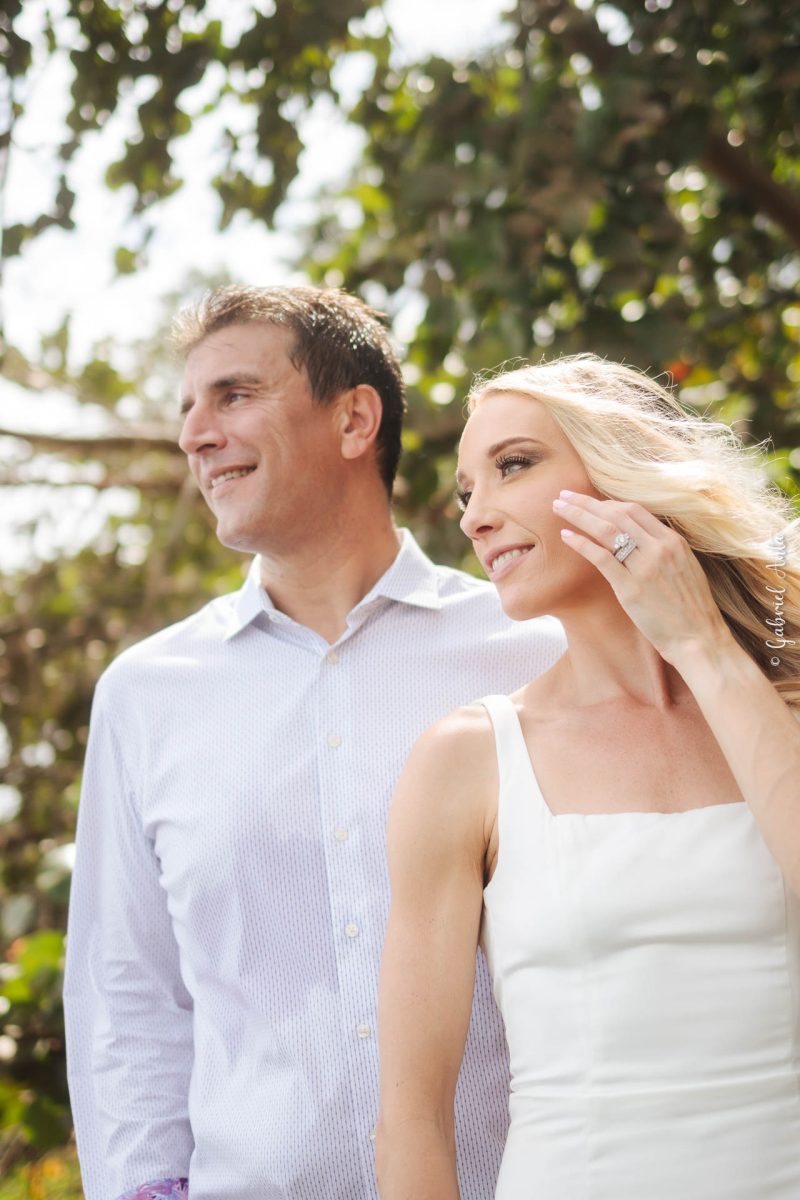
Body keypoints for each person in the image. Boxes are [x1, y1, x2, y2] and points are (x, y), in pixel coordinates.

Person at [63, 285, 565, 1200]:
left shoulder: (537, 647)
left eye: (234, 396)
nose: (195, 435)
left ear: (354, 420)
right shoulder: (143, 697)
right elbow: (127, 997)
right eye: (188, 409)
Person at [376, 354, 800, 1200]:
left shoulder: (781, 711)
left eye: (514, 465)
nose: (475, 517)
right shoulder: (466, 761)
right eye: (467, 492)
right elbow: (412, 1120)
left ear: (622, 473)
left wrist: (704, 650)